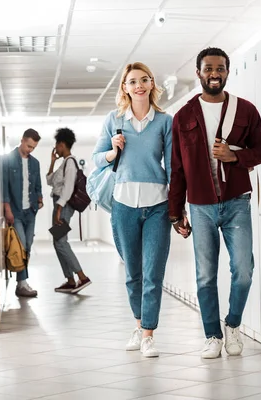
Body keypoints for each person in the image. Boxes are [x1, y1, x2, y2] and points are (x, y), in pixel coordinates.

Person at [168, 47, 261, 358]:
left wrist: (235, 156)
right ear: (198, 73)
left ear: (227, 72)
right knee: (205, 275)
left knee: (243, 270)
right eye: (209, 68)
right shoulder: (183, 116)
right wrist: (176, 213)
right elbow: (177, 168)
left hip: (236, 201)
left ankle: (233, 325)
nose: (215, 73)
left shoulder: (246, 110)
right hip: (200, 206)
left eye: (220, 68)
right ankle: (212, 335)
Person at [92, 62, 172, 358]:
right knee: (133, 273)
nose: (139, 85)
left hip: (158, 206)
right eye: (132, 81)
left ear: (152, 84)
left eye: (144, 80)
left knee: (153, 273)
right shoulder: (114, 120)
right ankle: (138, 326)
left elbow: (173, 166)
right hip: (124, 205)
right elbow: (97, 159)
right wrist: (113, 151)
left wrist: (177, 208)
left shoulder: (165, 121)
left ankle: (149, 334)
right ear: (124, 87)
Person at [47, 128, 92, 294]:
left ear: (62, 144)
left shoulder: (70, 163)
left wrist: (59, 209)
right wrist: (52, 161)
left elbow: (68, 189)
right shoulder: (64, 163)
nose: (56, 148)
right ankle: (70, 280)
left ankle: (81, 276)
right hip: (59, 206)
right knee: (57, 242)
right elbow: (49, 180)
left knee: (60, 242)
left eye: (57, 145)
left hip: (63, 207)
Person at [2, 128, 44, 298]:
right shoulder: (8, 160)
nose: (30, 150)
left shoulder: (35, 163)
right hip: (16, 212)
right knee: (22, 247)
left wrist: (40, 199)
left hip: (31, 211)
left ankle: (21, 284)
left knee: (28, 246)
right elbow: (4, 186)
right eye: (28, 146)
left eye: (33, 147)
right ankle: (22, 283)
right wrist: (7, 209)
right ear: (22, 140)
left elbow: (38, 185)